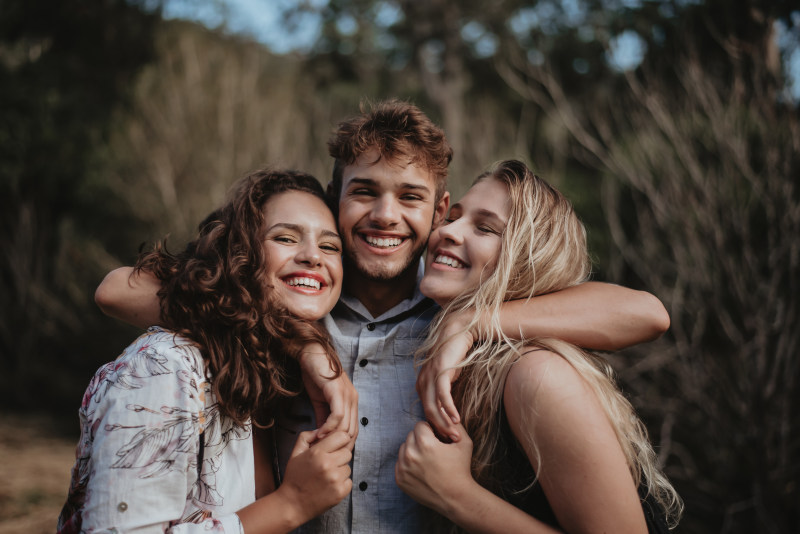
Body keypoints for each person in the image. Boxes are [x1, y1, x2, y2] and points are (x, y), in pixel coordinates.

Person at [95, 100, 671, 533]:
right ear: (335, 198)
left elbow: (644, 312)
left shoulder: (456, 319)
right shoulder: (298, 295)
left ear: (439, 210)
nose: (385, 216)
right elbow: (118, 291)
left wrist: (473, 325)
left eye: (411, 198)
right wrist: (302, 342)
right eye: (364, 191)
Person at [59, 170, 355, 534]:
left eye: (330, 246)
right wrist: (291, 503)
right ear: (240, 253)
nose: (312, 255)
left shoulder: (271, 379)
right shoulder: (166, 366)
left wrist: (306, 345)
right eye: (285, 237)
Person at [395, 160, 683, 533]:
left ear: (525, 259)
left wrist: (456, 495)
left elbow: (650, 313)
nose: (447, 232)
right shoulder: (458, 358)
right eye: (451, 218)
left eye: (485, 227)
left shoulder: (535, 375)